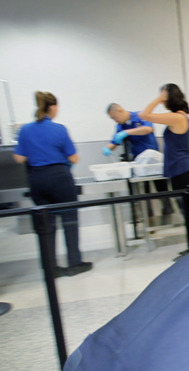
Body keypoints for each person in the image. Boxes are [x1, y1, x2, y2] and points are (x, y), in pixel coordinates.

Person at [14, 92, 91, 277]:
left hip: (37, 179)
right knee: (69, 220)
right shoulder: (59, 129)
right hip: (59, 178)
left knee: (45, 225)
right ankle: (74, 263)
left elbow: (18, 158)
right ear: (53, 107)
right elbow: (74, 157)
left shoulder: (25, 130)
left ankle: (51, 267)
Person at [139, 84, 189, 250]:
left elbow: (144, 115)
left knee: (188, 211)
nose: (162, 100)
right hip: (179, 169)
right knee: (187, 211)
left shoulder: (178, 117)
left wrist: (160, 98)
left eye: (164, 97)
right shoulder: (178, 116)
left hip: (181, 169)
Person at [104, 103, 172, 216]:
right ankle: (148, 215)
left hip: (152, 158)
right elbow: (115, 141)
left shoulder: (140, 116)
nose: (115, 120)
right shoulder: (121, 126)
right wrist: (107, 148)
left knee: (161, 186)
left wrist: (127, 132)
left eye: (114, 117)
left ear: (120, 110)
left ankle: (168, 210)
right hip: (138, 161)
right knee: (144, 190)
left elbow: (148, 129)